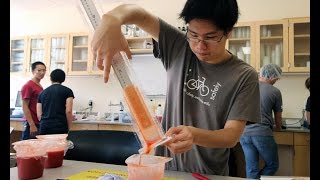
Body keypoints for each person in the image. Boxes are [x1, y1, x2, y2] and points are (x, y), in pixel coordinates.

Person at [91, 0, 260, 176]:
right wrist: (111, 18)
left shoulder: (244, 75)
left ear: (228, 32)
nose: (200, 46)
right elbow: (138, 14)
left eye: (210, 37)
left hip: (208, 174)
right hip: (165, 170)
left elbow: (231, 136)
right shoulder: (179, 47)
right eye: (193, 34)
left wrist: (194, 135)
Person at [240, 64, 283, 179]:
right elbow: (278, 117)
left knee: (251, 167)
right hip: (262, 132)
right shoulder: (275, 91)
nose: (277, 80)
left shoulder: (247, 87)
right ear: (272, 76)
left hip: (243, 132)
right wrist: (278, 128)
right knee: (272, 165)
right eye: (277, 77)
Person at [37, 69, 75, 135]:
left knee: (46, 145)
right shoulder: (68, 91)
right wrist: (69, 127)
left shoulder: (42, 93)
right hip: (60, 126)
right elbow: (68, 111)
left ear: (51, 78)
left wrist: (44, 123)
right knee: (59, 145)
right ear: (63, 79)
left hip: (44, 127)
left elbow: (39, 114)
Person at [21, 61, 46, 140]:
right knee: (27, 149)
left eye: (44, 70)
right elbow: (25, 106)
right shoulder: (28, 86)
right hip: (31, 123)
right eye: (39, 70)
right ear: (33, 71)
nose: (42, 72)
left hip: (38, 122)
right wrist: (32, 125)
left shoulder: (39, 86)